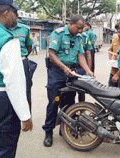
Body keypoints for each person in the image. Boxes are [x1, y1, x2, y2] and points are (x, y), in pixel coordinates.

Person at [43, 14, 93, 148]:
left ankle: (64, 129)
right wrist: (64, 67)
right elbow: (52, 55)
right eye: (78, 28)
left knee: (70, 103)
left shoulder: (78, 37)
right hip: (57, 72)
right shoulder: (58, 34)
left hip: (71, 73)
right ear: (70, 24)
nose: (80, 30)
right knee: (54, 102)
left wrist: (87, 70)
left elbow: (80, 55)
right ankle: (48, 132)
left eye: (82, 28)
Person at [0, 0, 32, 158]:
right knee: (3, 150)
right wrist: (25, 115)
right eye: (14, 13)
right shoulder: (6, 39)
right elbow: (14, 82)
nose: (16, 17)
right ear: (6, 13)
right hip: (1, 99)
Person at [9, 20, 36, 112]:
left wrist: (20, 58)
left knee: (25, 91)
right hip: (6, 64)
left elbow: (29, 47)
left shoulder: (25, 29)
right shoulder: (1, 28)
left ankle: (27, 118)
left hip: (22, 62)